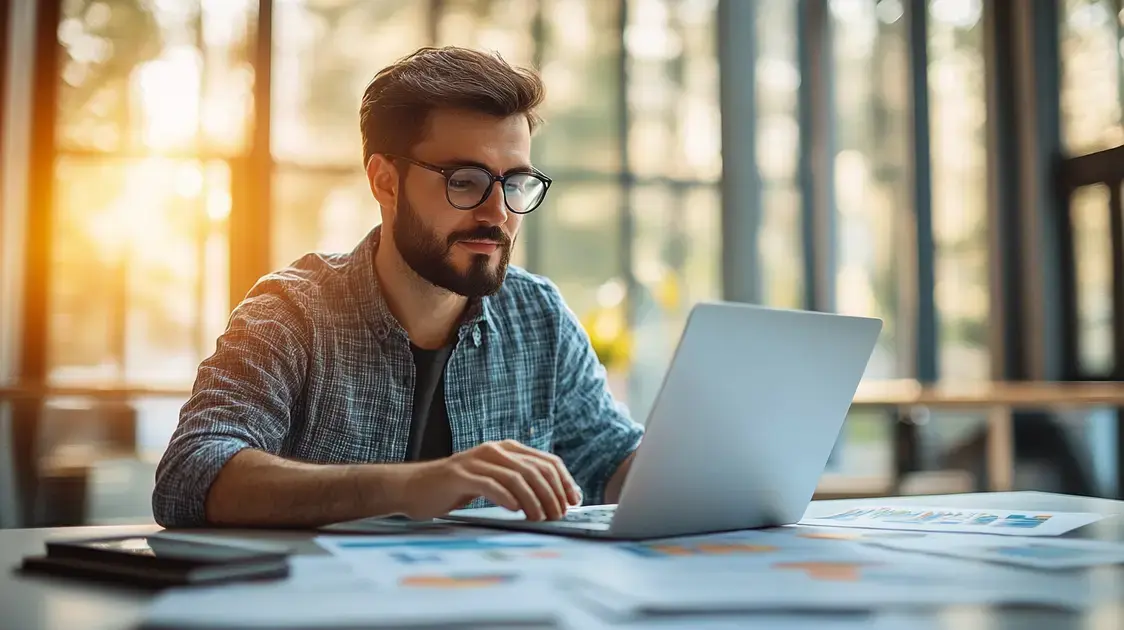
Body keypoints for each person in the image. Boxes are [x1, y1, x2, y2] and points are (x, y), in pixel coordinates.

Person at [151, 46, 644, 529]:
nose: (498, 213)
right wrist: (407, 487)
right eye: (466, 181)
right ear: (386, 182)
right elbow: (191, 472)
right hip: (331, 604)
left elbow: (613, 461)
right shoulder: (292, 313)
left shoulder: (538, 317)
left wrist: (703, 467)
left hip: (497, 604)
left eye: (514, 182)